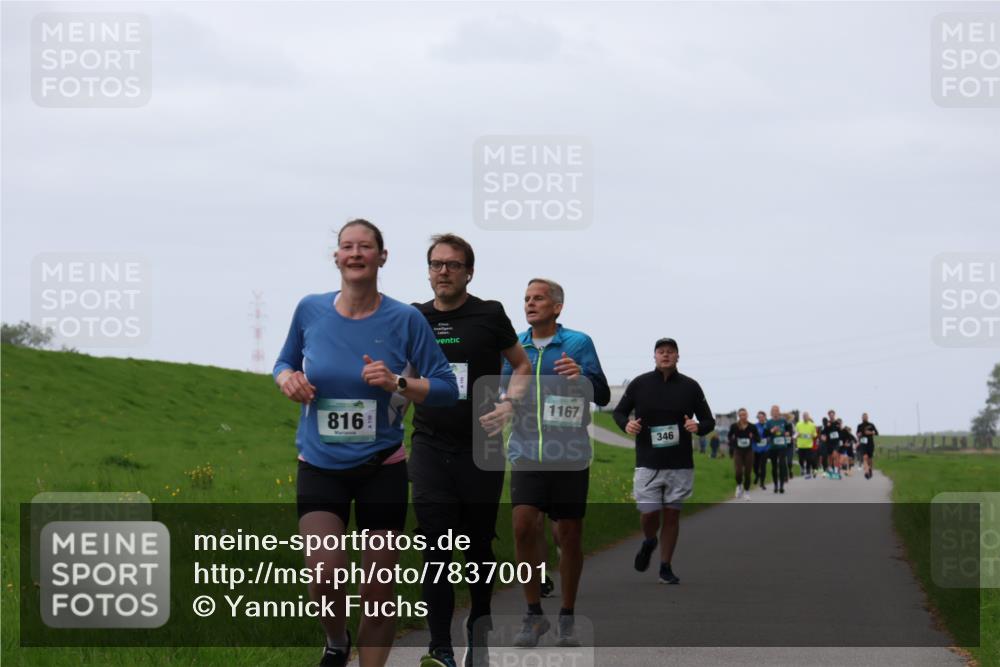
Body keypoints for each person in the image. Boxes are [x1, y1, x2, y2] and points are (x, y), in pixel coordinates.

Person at [274, 220, 459, 667]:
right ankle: (336, 641)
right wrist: (288, 379)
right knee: (324, 573)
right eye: (347, 247)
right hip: (319, 463)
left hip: (382, 466)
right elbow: (283, 361)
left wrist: (397, 381)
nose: (355, 254)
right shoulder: (310, 310)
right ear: (337, 257)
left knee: (378, 589)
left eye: (365, 247)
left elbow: (446, 387)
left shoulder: (405, 319)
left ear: (382, 256)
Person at [409, 234, 532, 667]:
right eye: (436, 264)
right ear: (428, 270)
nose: (444, 271)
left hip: (482, 447)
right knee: (435, 545)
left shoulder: (489, 314)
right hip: (428, 444)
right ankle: (439, 647)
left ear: (469, 272)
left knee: (478, 547)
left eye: (453, 265)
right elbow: (400, 376)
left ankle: (479, 628)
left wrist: (509, 404)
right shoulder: (413, 317)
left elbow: (521, 365)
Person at [503, 278, 610, 648]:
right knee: (522, 526)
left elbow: (603, 392)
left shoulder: (578, 343)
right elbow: (505, 388)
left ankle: (566, 614)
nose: (530, 304)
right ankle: (533, 615)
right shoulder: (516, 346)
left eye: (539, 299)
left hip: (569, 454)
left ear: (557, 307)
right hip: (527, 450)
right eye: (526, 299)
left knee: (569, 534)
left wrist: (581, 378)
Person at [613, 337, 716, 585]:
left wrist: (697, 426)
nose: (666, 355)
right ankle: (649, 540)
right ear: (655, 356)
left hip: (679, 463)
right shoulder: (640, 384)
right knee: (649, 515)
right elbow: (619, 412)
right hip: (648, 461)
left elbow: (708, 421)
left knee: (671, 516)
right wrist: (626, 424)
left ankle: (665, 566)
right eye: (661, 351)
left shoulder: (691, 387)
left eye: (670, 352)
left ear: (678, 356)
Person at [727, 408, 759, 500]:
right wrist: (733, 441)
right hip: (738, 451)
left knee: (748, 472)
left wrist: (753, 437)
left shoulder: (752, 427)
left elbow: (758, 439)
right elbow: (729, 436)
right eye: (741, 415)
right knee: (738, 471)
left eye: (744, 415)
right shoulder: (734, 426)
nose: (742, 417)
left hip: (749, 451)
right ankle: (739, 485)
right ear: (738, 416)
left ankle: (747, 491)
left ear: (747, 415)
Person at [764, 405, 790, 493]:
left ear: (779, 412)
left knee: (782, 464)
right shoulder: (769, 422)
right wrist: (771, 431)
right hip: (773, 447)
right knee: (774, 466)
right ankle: (775, 485)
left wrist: (787, 432)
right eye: (773, 411)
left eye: (777, 411)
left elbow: (789, 429)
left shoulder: (783, 421)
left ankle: (782, 486)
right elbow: (765, 433)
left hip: (782, 446)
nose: (775, 412)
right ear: (771, 413)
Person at [857, 413, 879, 479]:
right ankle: (866, 472)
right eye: (863, 417)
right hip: (863, 443)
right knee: (865, 457)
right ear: (862, 418)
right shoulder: (860, 426)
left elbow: (877, 433)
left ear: (868, 417)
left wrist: (871, 432)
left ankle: (870, 469)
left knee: (870, 459)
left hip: (870, 443)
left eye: (866, 417)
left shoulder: (871, 425)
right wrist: (859, 435)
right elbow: (857, 434)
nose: (865, 418)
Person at [795, 412, 818, 479]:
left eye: (806, 416)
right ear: (802, 417)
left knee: (809, 459)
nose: (805, 417)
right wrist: (796, 435)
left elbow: (815, 434)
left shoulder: (812, 425)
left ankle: (808, 470)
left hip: (809, 445)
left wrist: (812, 435)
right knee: (800, 459)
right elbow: (796, 433)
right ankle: (802, 467)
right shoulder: (798, 424)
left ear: (808, 417)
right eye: (804, 416)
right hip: (800, 445)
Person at [821, 410, 842, 479]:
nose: (831, 416)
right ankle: (831, 469)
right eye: (830, 415)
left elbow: (840, 432)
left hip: (836, 442)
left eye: (832, 414)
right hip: (829, 442)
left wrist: (840, 427)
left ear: (834, 415)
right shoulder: (827, 423)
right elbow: (823, 432)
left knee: (834, 455)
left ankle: (836, 471)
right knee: (830, 457)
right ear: (829, 415)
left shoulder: (837, 423)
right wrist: (827, 427)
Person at [752, 411, 769, 489]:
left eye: (762, 417)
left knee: (763, 466)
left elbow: (771, 435)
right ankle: (757, 475)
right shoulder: (754, 426)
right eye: (759, 417)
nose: (761, 418)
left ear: (765, 417)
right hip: (756, 449)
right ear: (758, 418)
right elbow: (751, 436)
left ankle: (762, 483)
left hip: (765, 449)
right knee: (755, 466)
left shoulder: (768, 425)